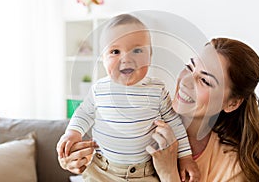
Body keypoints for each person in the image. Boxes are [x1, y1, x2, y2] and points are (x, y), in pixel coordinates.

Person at [58, 37, 259, 182]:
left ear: (232, 103)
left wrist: (169, 173)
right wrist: (74, 158)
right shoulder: (142, 110)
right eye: (190, 67)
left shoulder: (231, 167)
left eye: (205, 81)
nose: (187, 81)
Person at [57, 14, 199, 182]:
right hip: (102, 170)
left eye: (137, 50)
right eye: (115, 51)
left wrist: (185, 158)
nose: (126, 58)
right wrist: (72, 133)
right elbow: (83, 113)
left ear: (150, 56)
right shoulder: (99, 89)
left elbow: (175, 124)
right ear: (103, 59)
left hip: (144, 173)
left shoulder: (157, 90)